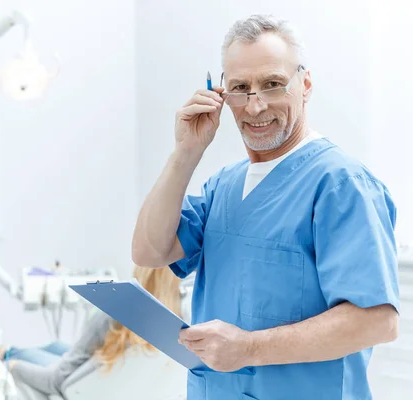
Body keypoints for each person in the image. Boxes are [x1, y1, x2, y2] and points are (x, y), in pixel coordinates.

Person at [131, 14, 399, 400]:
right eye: (240, 88)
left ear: (304, 85)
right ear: (222, 94)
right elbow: (148, 251)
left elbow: (377, 321)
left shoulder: (340, 184)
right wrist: (185, 153)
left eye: (272, 85)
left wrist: (250, 348)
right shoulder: (223, 185)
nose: (255, 106)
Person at [0, 265, 182, 396]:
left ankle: (6, 352)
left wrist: (12, 365)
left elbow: (56, 381)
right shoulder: (181, 322)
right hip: (101, 375)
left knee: (12, 352)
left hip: (72, 382)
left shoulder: (115, 314)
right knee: (56, 345)